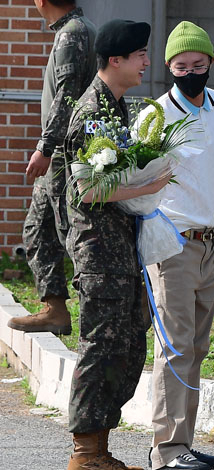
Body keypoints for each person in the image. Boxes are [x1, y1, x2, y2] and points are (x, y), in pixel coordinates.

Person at [63, 19, 172, 470]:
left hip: (120, 248)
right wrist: (149, 186)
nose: (147, 62)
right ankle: (83, 456)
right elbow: (86, 192)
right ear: (116, 60)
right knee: (102, 345)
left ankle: (101, 451)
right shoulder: (91, 111)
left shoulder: (118, 108)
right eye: (140, 54)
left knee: (126, 346)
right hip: (98, 252)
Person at [138, 21, 214, 470]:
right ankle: (166, 449)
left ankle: (185, 443)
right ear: (169, 69)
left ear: (211, 64)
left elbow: (212, 167)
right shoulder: (155, 117)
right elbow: (136, 183)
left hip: (207, 242)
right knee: (174, 347)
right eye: (182, 66)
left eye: (199, 64)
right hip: (170, 242)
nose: (191, 71)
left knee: (196, 346)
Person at [8, 0, 96, 335]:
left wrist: (45, 146)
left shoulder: (72, 34)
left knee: (69, 234)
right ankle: (54, 310)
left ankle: (101, 311)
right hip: (61, 153)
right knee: (38, 229)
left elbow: (67, 96)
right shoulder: (76, 29)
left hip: (64, 155)